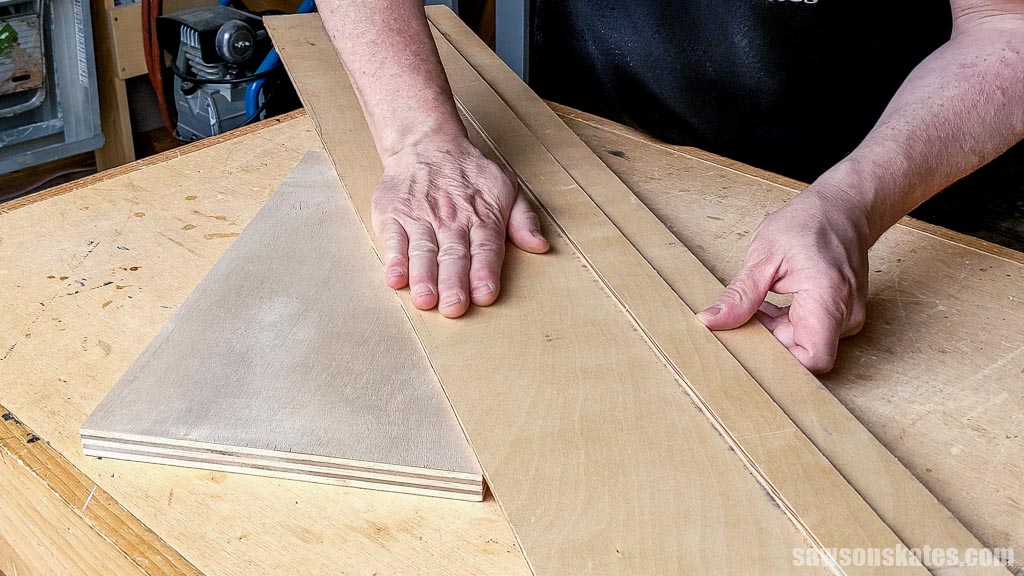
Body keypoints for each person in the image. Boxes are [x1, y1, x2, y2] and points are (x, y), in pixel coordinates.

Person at [317, 0, 1024, 373]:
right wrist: (423, 139)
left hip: (910, 173)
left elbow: (1006, 26)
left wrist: (854, 204)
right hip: (593, 149)